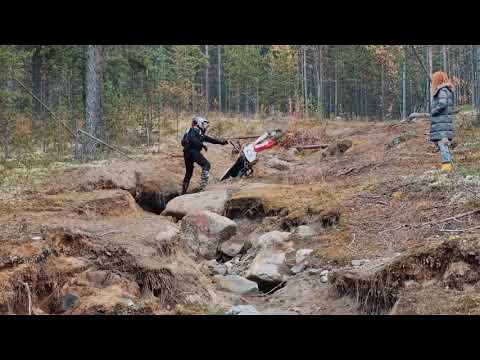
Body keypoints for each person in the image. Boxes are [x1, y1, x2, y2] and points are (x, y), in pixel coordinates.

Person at [181, 116, 228, 194]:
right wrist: (202, 145)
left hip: (187, 153)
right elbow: (192, 139)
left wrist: (222, 142)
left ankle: (183, 191)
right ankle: (203, 186)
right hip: (192, 151)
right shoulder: (194, 130)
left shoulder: (197, 132)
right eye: (204, 123)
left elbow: (211, 140)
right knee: (206, 164)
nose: (205, 126)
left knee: (189, 173)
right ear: (199, 122)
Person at [430, 71, 455, 172]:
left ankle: (446, 169)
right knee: (443, 146)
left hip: (442, 125)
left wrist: (433, 112)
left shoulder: (442, 91)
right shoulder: (445, 90)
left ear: (437, 80)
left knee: (443, 145)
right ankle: (448, 167)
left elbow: (442, 104)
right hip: (443, 124)